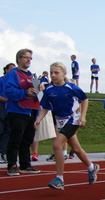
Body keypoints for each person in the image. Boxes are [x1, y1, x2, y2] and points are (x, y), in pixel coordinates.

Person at [35, 62, 99, 190]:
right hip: (60, 120)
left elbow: (85, 99)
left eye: (56, 73)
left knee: (56, 144)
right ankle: (92, 167)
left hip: (72, 119)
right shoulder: (49, 90)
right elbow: (46, 107)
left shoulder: (71, 87)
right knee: (76, 148)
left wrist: (83, 116)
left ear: (64, 74)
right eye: (51, 72)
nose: (53, 75)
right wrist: (39, 119)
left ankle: (60, 178)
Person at [3, 49, 41, 176]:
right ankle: (12, 165)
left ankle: (25, 164)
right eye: (26, 57)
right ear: (19, 59)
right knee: (15, 139)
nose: (28, 60)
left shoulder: (32, 76)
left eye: (30, 58)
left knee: (27, 140)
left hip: (30, 111)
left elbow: (40, 96)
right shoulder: (13, 74)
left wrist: (40, 90)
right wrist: (25, 92)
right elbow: (8, 91)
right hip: (17, 111)